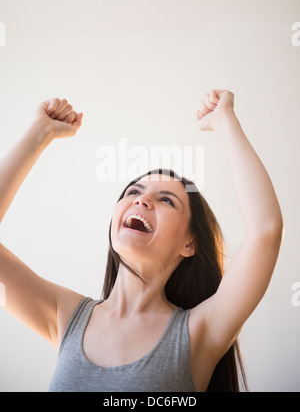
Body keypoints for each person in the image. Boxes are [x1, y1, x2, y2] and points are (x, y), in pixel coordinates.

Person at [0, 91, 284, 392]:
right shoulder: (66, 315)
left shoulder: (198, 333)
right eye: (133, 192)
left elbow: (265, 230)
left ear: (190, 243)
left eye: (167, 200)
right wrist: (39, 132)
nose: (143, 200)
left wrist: (225, 121)